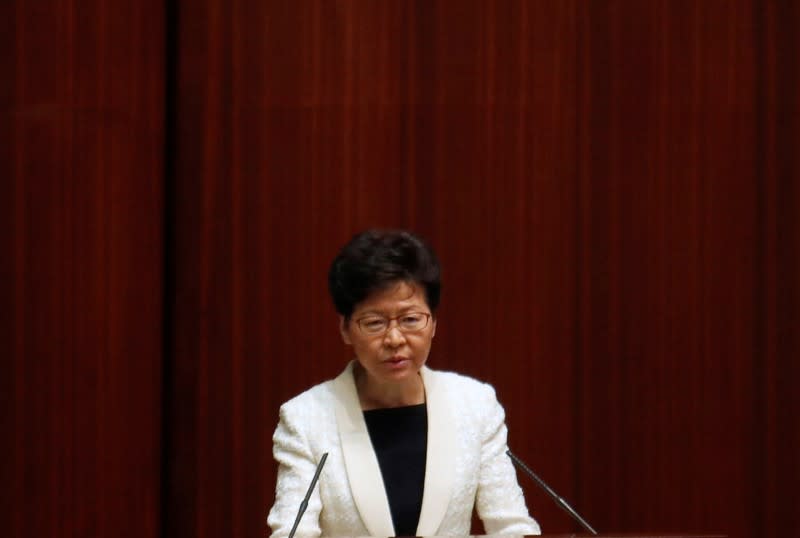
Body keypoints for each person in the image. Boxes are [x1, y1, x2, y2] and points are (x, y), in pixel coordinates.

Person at [267, 229, 540, 537]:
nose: (394, 339)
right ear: (345, 329)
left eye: (410, 320)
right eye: (374, 323)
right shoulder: (306, 419)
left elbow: (511, 526)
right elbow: (293, 531)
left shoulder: (475, 406)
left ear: (433, 323)